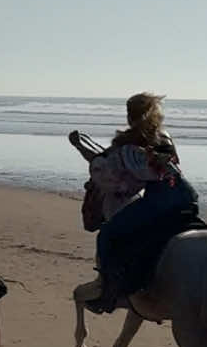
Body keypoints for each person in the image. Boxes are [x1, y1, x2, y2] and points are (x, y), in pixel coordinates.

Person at [75, 94, 198, 311]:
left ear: (131, 116)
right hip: (187, 195)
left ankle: (106, 290)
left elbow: (119, 180)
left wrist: (92, 157)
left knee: (108, 234)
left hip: (160, 200)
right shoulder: (165, 137)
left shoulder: (128, 146)